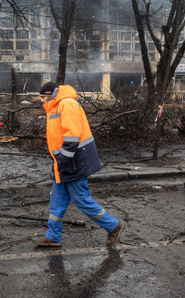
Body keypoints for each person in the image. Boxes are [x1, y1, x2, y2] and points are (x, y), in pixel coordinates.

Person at [33, 82, 124, 247]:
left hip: (74, 162)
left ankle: (114, 226)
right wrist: (60, 162)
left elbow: (72, 136)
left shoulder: (67, 104)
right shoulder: (56, 106)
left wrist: (63, 160)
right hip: (64, 163)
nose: (41, 101)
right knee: (57, 202)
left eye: (43, 97)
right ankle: (53, 236)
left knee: (82, 200)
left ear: (51, 94)